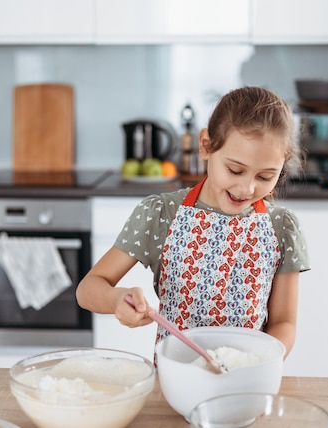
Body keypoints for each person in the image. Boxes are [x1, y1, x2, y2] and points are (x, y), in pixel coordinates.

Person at [77, 86, 310, 358]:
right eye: (235, 170)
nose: (247, 188)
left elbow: (284, 323)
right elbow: (88, 289)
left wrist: (257, 363)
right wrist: (118, 299)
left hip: (246, 382)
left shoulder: (283, 228)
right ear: (206, 146)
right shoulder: (160, 213)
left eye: (265, 177)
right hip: (174, 380)